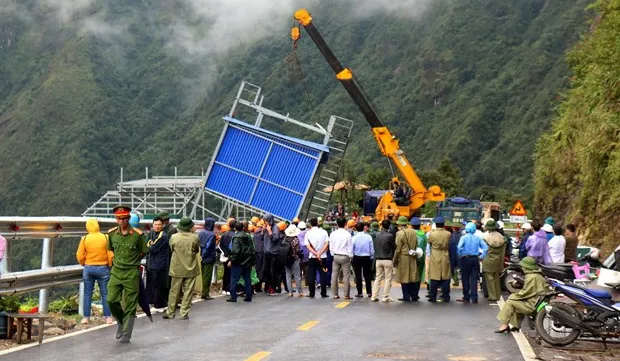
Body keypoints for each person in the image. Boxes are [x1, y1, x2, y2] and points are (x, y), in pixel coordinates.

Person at [107, 205, 148, 343]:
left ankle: (126, 333)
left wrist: (133, 262)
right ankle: (120, 320)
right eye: (119, 218)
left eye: (124, 218)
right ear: (116, 219)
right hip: (117, 272)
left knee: (131, 304)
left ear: (129, 218)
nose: (122, 221)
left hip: (131, 272)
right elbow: (111, 249)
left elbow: (143, 251)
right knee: (111, 300)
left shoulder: (137, 235)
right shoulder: (112, 234)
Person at [76, 218, 114, 325]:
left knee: (87, 293)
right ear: (98, 226)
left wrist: (84, 263)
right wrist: (109, 265)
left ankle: (86, 318)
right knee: (105, 293)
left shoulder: (85, 239)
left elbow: (79, 255)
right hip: (103, 268)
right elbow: (110, 254)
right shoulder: (105, 237)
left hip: (89, 268)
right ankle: (108, 318)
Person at [495, 257, 548, 333]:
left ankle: (504, 325)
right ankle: (515, 325)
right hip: (538, 302)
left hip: (533, 305)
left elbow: (526, 292)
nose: (522, 268)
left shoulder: (532, 277)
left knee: (511, 302)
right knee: (517, 302)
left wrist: (513, 296)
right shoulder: (537, 275)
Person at [163, 217, 200, 320]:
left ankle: (170, 312)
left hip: (176, 268)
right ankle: (183, 313)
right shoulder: (194, 238)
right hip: (191, 268)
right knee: (188, 292)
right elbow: (197, 250)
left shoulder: (174, 237)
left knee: (174, 291)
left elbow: (171, 249)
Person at [456, 222, 487, 304]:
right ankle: (474, 297)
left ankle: (466, 297)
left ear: (466, 229)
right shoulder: (478, 238)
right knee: (474, 279)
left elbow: (459, 247)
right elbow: (486, 248)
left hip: (465, 259)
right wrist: (481, 257)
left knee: (465, 278)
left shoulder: (463, 238)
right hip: (475, 259)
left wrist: (460, 254)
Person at [227, 222, 256, 302]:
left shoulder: (236, 238)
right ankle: (248, 296)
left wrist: (232, 260)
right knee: (247, 279)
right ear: (243, 228)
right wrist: (252, 261)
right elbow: (252, 250)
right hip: (247, 262)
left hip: (238, 262)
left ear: (235, 229)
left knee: (234, 279)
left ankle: (233, 297)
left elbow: (235, 251)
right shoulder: (249, 237)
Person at [393, 216, 420, 302]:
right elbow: (416, 244)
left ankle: (406, 296)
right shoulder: (413, 232)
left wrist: (395, 260)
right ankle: (414, 295)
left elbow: (398, 249)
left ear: (400, 225)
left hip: (403, 257)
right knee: (412, 276)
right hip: (412, 256)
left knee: (404, 277)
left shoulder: (399, 233)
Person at [146, 217, 170, 310]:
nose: (157, 226)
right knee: (154, 285)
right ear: (153, 225)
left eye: (159, 224)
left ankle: (158, 305)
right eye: (155, 224)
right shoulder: (153, 234)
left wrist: (150, 244)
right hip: (153, 264)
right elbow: (147, 243)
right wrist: (150, 244)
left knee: (158, 285)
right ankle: (160, 304)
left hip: (159, 265)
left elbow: (152, 249)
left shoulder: (162, 236)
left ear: (162, 225)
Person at [427, 216, 451, 303]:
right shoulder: (448, 234)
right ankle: (446, 296)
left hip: (435, 254)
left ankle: (433, 296)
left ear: (436, 224)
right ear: (443, 224)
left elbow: (429, 243)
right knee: (445, 276)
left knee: (434, 276)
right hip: (445, 254)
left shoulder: (432, 234)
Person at [372, 220, 397, 302]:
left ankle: (374, 296)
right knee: (388, 279)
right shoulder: (390, 236)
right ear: (389, 226)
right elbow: (394, 247)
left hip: (378, 259)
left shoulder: (377, 235)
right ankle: (385, 296)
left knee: (377, 278)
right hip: (387, 259)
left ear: (381, 226)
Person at [305, 218, 330, 298]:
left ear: (311, 224)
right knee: (323, 274)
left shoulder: (308, 233)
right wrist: (320, 253)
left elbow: (307, 246)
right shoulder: (324, 232)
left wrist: (315, 253)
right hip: (322, 257)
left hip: (312, 257)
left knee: (311, 275)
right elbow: (327, 243)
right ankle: (323, 293)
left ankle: (311, 293)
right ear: (318, 223)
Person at [482, 220, 506, 302]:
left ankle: (492, 295)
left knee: (489, 279)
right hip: (498, 259)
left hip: (488, 259)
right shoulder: (501, 237)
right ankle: (497, 295)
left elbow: (484, 250)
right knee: (496, 277)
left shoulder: (486, 237)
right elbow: (503, 252)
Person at [330, 218, 354, 300]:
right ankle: (346, 295)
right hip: (345, 256)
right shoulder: (347, 234)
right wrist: (350, 257)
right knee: (346, 276)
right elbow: (350, 247)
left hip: (336, 255)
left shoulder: (333, 234)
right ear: (345, 224)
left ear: (337, 224)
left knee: (334, 275)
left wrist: (333, 254)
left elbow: (331, 246)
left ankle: (335, 294)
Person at [352, 222, 374, 298]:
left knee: (358, 275)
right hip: (367, 257)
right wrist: (371, 256)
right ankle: (369, 292)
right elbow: (371, 249)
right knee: (367, 275)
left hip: (357, 257)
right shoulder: (368, 237)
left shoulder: (354, 238)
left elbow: (352, 249)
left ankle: (360, 293)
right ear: (363, 227)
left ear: (356, 229)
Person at [283, 224, 304, 297]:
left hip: (286, 259)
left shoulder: (285, 239)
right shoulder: (296, 240)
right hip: (295, 259)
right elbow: (297, 250)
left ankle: (290, 292)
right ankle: (300, 292)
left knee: (288, 275)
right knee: (297, 276)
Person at [199, 217, 217, 300]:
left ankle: (201, 291)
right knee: (207, 276)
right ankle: (205, 293)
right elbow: (209, 247)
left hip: (200, 256)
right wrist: (204, 255)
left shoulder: (200, 233)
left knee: (202, 275)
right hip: (208, 257)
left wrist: (200, 255)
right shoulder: (212, 235)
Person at [410, 217, 427, 287]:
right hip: (421, 257)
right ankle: (416, 293)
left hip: (411, 256)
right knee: (419, 274)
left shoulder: (410, 234)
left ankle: (411, 291)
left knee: (411, 274)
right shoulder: (424, 235)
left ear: (411, 225)